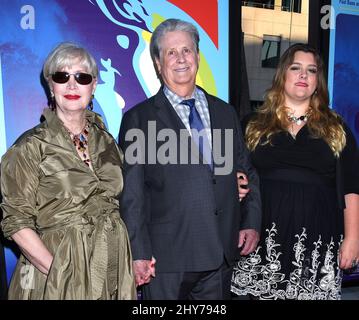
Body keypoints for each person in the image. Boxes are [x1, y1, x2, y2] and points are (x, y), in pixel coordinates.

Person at [119, 18, 262, 300]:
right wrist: (138, 253)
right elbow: (132, 196)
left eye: (187, 50)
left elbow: (245, 171)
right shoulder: (139, 119)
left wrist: (250, 221)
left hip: (219, 254)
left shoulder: (224, 113)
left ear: (197, 56)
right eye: (171, 52)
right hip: (165, 261)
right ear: (158, 64)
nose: (181, 58)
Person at [0, 42, 136, 300]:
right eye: (62, 76)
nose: (72, 85)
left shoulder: (107, 142)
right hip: (55, 274)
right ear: (51, 86)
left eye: (82, 77)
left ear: (93, 86)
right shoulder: (29, 146)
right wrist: (61, 274)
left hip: (112, 268)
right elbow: (16, 222)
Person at [231, 43, 359, 300]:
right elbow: (232, 174)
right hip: (260, 240)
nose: (303, 75)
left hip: (317, 242)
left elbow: (351, 189)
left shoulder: (337, 128)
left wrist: (353, 239)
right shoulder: (251, 125)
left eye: (311, 71)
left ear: (317, 81)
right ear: (282, 75)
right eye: (296, 68)